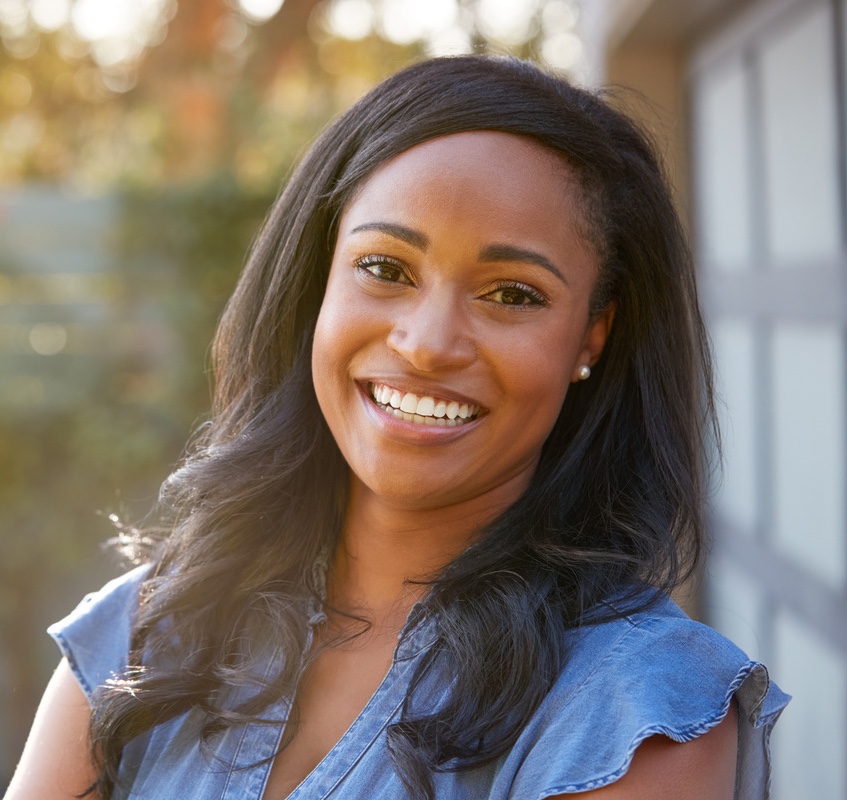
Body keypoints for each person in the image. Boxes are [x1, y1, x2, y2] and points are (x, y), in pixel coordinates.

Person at [6, 55, 788, 800]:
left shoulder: (638, 709)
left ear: (592, 333)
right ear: (318, 281)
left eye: (511, 294)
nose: (425, 343)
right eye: (384, 269)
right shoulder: (149, 632)